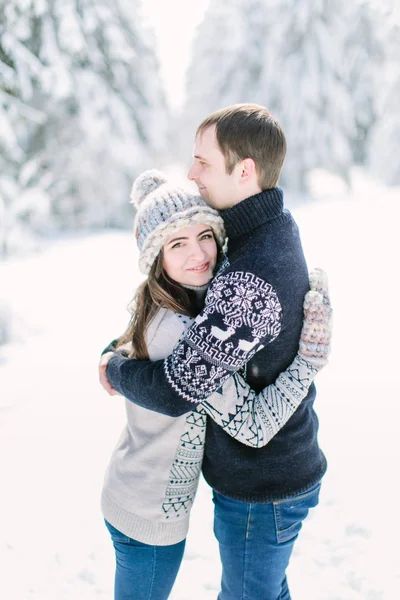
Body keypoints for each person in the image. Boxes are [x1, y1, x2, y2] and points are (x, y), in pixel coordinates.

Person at [100, 104, 331, 600]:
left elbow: (175, 389)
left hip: (262, 486)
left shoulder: (251, 274)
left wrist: (115, 369)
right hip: (254, 484)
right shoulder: (261, 228)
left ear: (243, 170)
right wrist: (120, 348)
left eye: (203, 161)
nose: (191, 172)